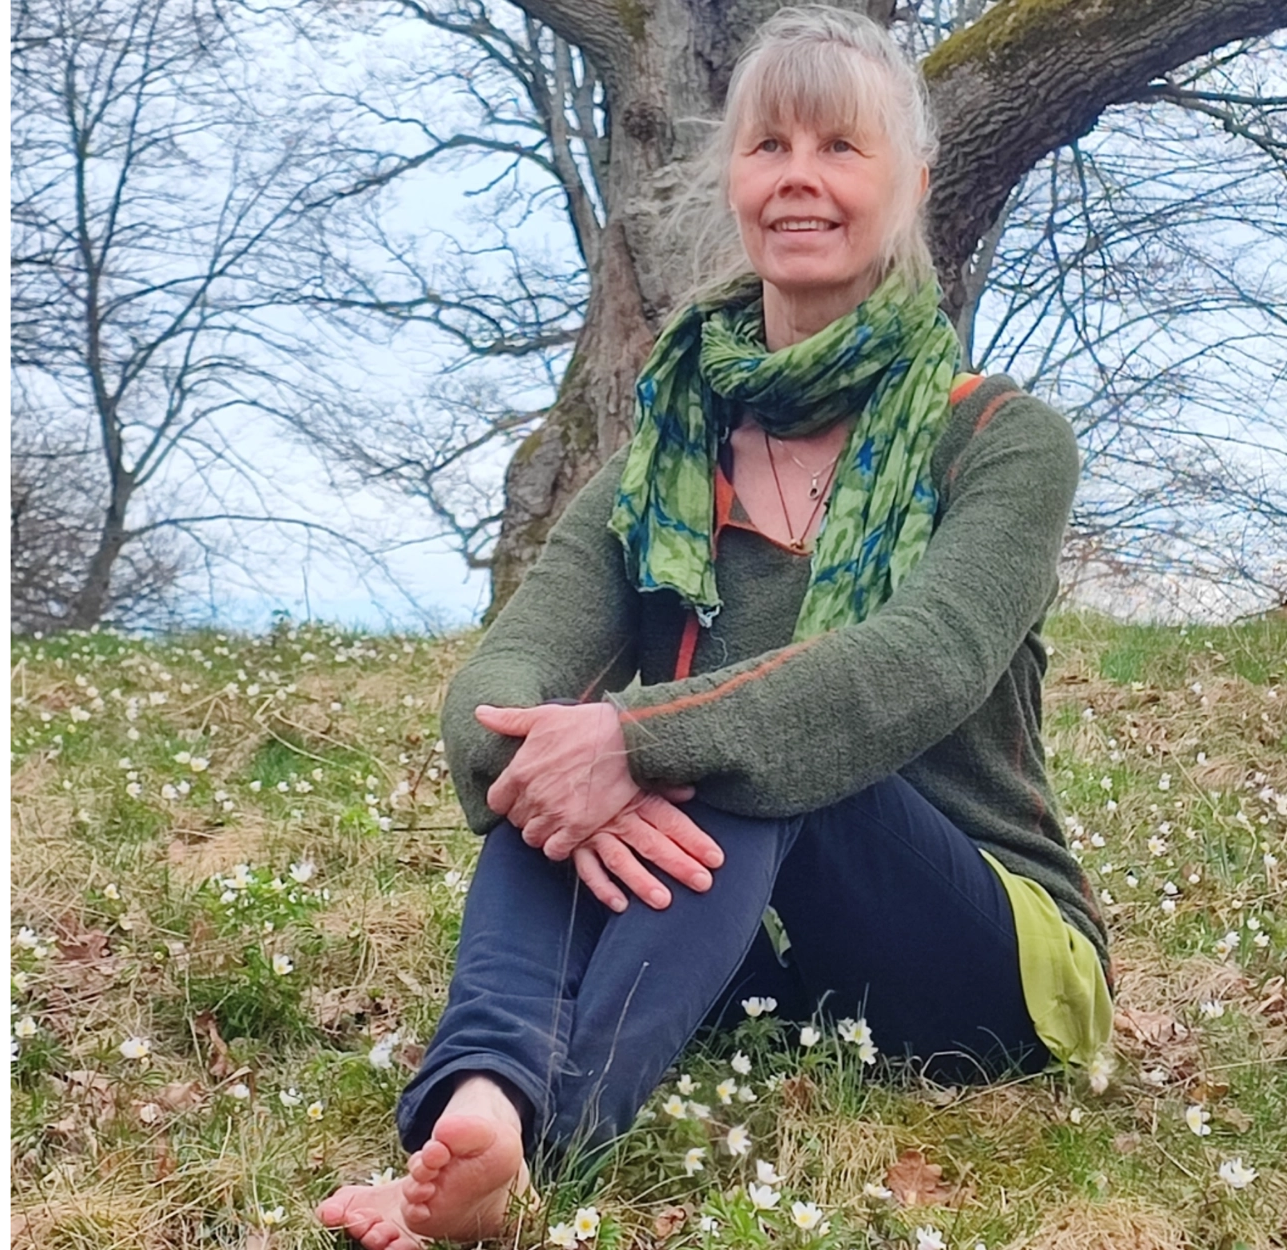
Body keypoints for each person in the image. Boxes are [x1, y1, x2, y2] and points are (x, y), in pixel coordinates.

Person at [319, 9, 1112, 1248]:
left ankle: (550, 1144)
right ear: (733, 180)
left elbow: (923, 660)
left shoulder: (1001, 440)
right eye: (768, 145)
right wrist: (582, 758)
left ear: (909, 183)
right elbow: (495, 684)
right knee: (554, 752)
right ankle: (481, 1106)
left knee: (739, 739)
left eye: (839, 146)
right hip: (757, 967)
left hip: (982, 958)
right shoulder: (663, 461)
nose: (798, 176)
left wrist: (639, 740)